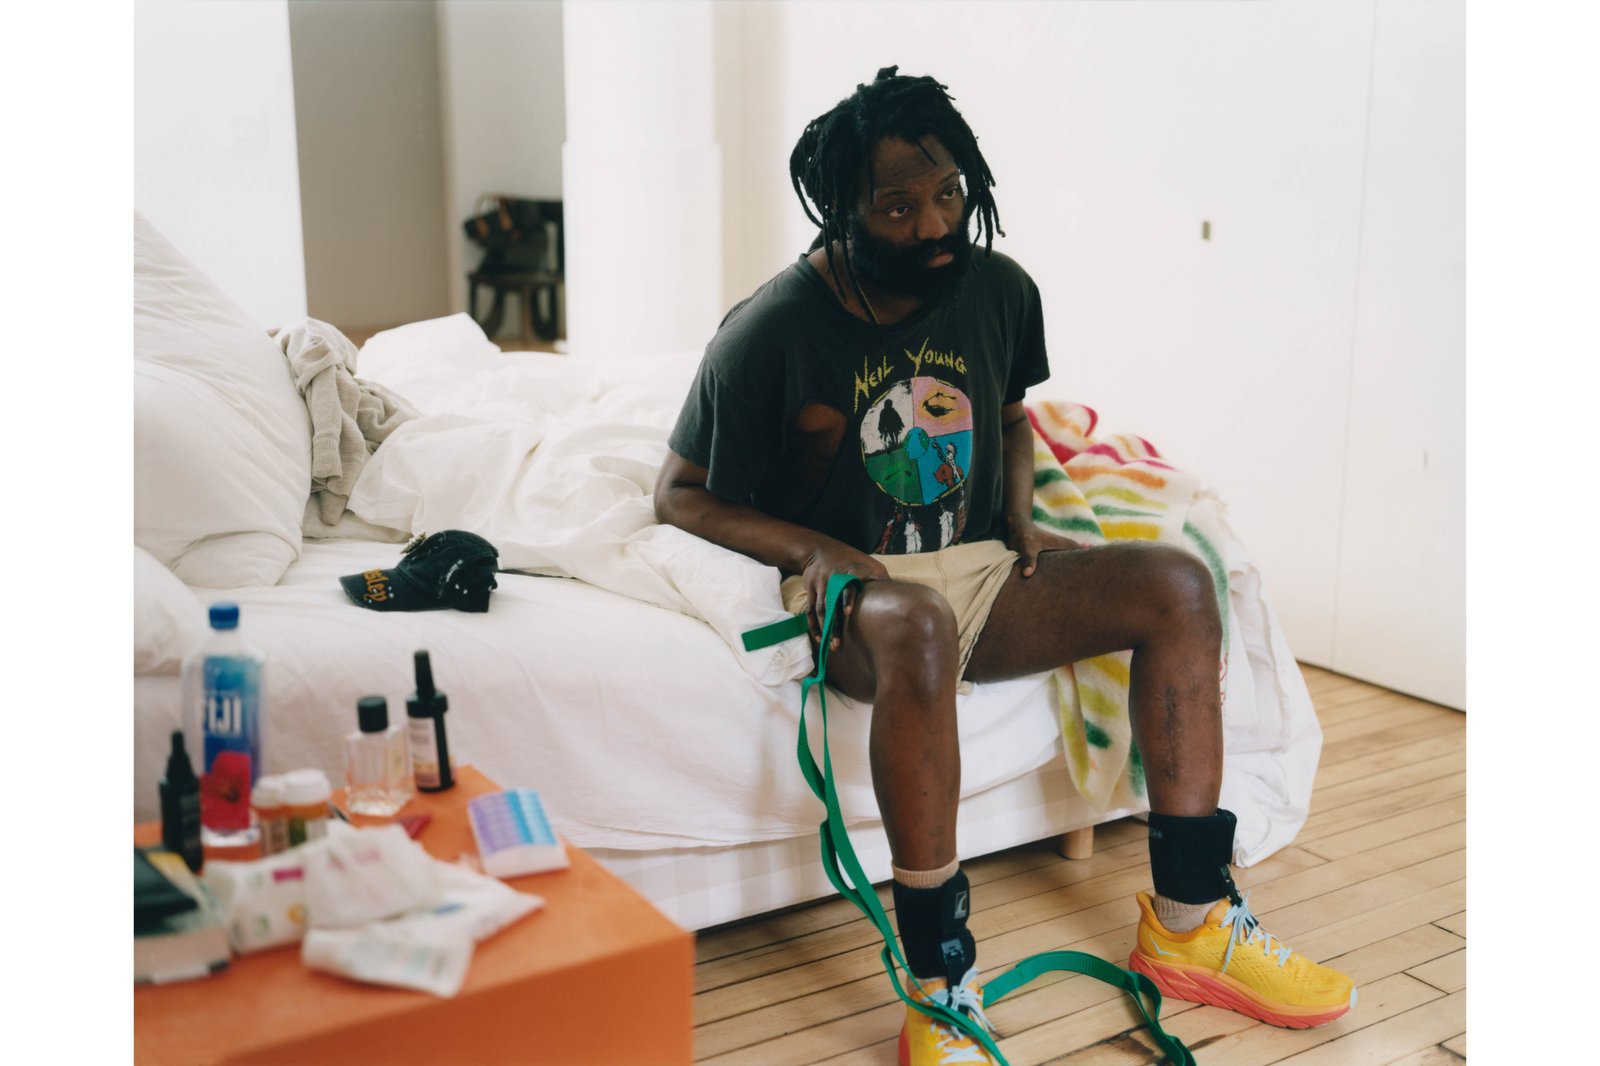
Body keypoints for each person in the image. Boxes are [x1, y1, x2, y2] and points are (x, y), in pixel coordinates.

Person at [656, 66, 1354, 1065]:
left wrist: (1020, 515)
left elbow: (1014, 416)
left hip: (978, 569)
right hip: (855, 593)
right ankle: (938, 985)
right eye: (898, 207)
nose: (935, 223)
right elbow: (679, 493)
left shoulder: (997, 289)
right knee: (921, 626)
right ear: (844, 213)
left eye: (948, 193)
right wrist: (818, 552)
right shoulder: (771, 332)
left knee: (1179, 584)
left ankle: (1192, 922)